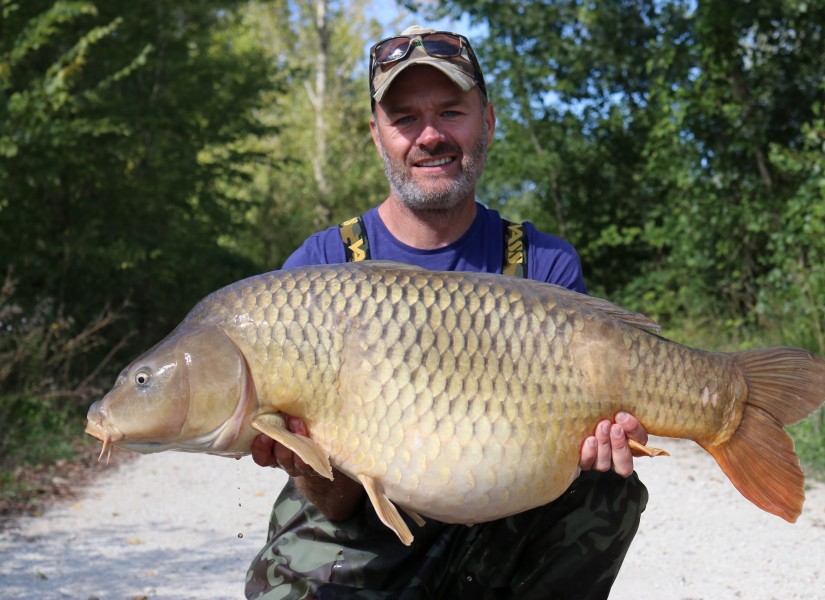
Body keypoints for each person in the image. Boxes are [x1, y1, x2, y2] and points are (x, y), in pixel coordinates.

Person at [245, 25, 649, 600]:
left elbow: (560, 464)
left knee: (605, 490)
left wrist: (594, 449)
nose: (430, 135)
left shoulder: (542, 263)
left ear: (488, 121)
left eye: (451, 112)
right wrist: (308, 465)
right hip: (365, 524)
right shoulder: (320, 268)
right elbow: (334, 504)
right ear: (377, 135)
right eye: (405, 118)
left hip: (499, 504)